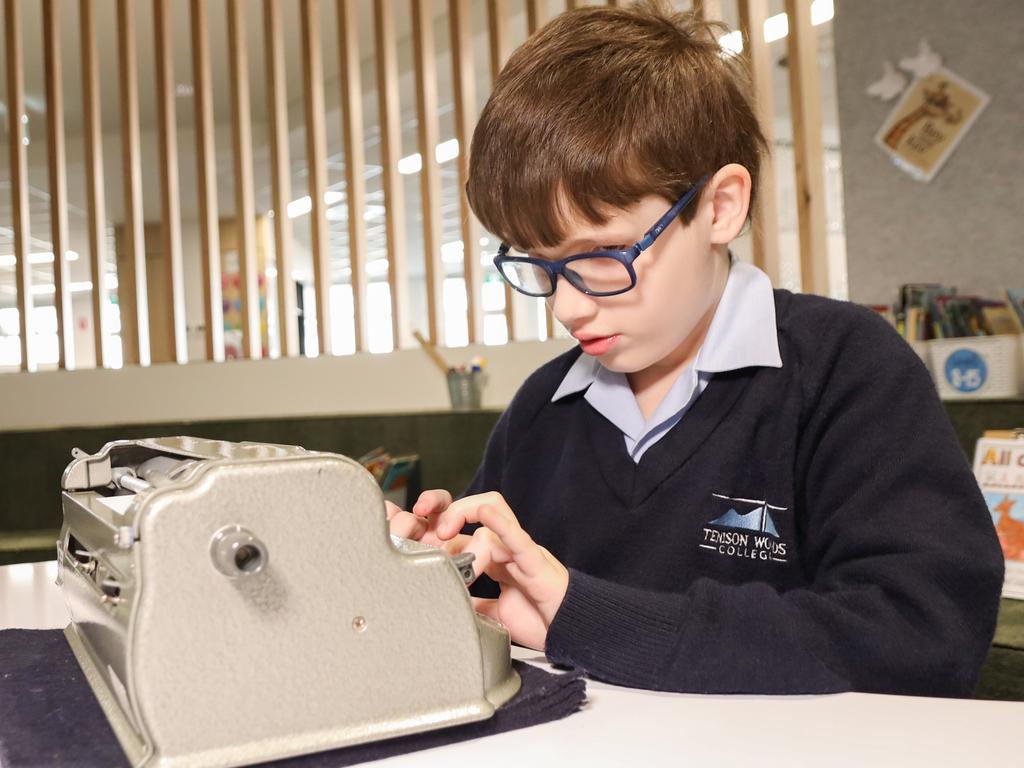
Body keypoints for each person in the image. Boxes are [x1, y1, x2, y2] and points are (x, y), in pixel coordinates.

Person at [386, 1, 1003, 696]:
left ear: (719, 208)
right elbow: (487, 625)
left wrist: (583, 614)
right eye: (542, 265)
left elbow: (926, 636)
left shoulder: (843, 370)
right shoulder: (541, 414)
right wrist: (421, 569)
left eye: (603, 256)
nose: (568, 306)